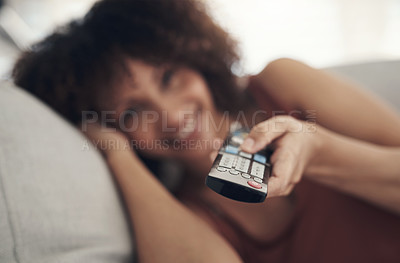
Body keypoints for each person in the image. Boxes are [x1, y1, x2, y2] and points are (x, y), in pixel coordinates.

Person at [12, 0, 400, 262]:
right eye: (132, 112)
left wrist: (318, 153)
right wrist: (117, 156)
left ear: (196, 58)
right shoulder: (183, 214)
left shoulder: (281, 84)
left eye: (168, 76)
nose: (170, 114)